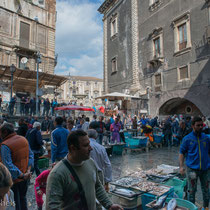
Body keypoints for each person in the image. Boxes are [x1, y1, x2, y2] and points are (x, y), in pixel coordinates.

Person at [46, 130, 122, 210]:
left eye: (89, 144)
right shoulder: (57, 174)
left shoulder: (90, 162)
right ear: (73, 148)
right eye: (86, 145)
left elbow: (97, 186)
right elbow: (52, 207)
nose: (91, 148)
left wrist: (109, 205)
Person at [0, 123, 34, 210]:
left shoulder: (5, 145)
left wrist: (21, 175)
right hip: (25, 177)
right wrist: (28, 170)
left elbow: (8, 166)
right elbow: (30, 156)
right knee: (23, 199)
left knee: (14, 201)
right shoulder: (23, 139)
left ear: (5, 132)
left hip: (13, 179)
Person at [179, 116, 209, 209]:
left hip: (205, 169)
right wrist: (181, 166)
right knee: (191, 191)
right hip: (192, 170)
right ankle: (191, 207)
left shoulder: (206, 138)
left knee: (207, 191)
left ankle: (206, 207)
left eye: (201, 125)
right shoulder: (187, 139)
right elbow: (181, 153)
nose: (201, 127)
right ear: (193, 126)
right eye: (198, 125)